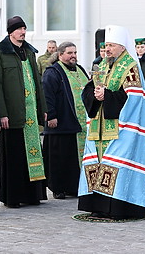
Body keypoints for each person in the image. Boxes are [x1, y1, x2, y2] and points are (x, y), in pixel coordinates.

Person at [78, 25, 145, 220]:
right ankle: (97, 206)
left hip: (120, 128)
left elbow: (134, 99)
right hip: (99, 129)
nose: (108, 49)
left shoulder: (130, 66)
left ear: (122, 46)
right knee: (97, 166)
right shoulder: (103, 64)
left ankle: (116, 208)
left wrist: (108, 96)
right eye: (106, 45)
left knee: (115, 167)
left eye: (112, 45)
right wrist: (94, 95)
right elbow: (89, 88)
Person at [0, 16, 48, 208]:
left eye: (24, 28)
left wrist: (43, 110)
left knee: (32, 155)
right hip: (12, 116)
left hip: (30, 115)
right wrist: (2, 113)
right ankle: (13, 197)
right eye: (19, 29)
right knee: (14, 158)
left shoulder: (29, 52)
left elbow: (38, 83)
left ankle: (32, 195)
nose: (23, 32)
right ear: (10, 31)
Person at [42, 42, 89, 199]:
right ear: (60, 55)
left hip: (79, 125)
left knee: (72, 159)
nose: (73, 56)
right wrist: (52, 115)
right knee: (59, 158)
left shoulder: (80, 70)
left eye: (75, 52)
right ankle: (58, 188)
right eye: (69, 53)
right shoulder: (53, 72)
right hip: (61, 121)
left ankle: (74, 186)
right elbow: (47, 94)